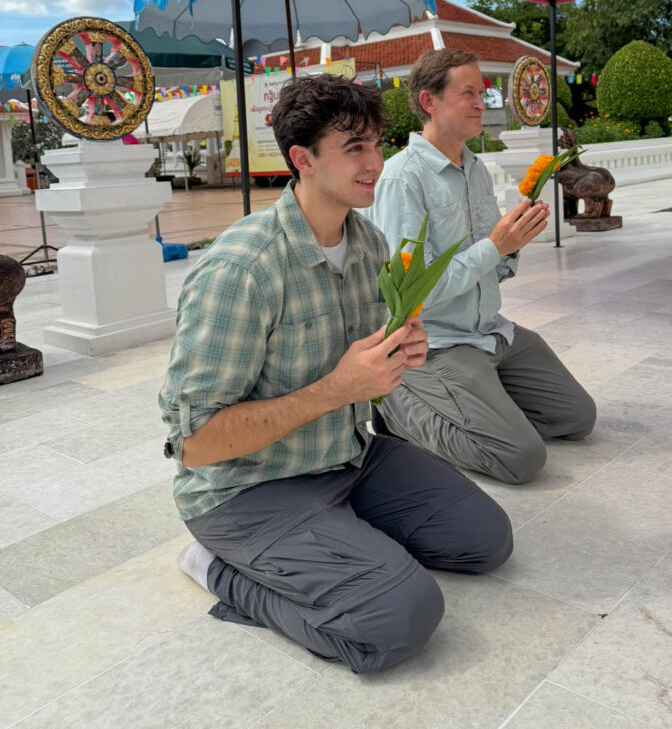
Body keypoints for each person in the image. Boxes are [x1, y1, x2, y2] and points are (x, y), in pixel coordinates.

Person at [159, 74, 512, 675]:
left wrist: (402, 351)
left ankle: (340, 541)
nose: (376, 162)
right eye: (355, 148)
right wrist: (338, 390)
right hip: (247, 489)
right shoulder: (242, 270)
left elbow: (365, 365)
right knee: (398, 619)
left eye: (377, 143)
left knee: (485, 540)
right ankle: (217, 569)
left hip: (345, 458)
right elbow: (195, 445)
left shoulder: (369, 244)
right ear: (302, 159)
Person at [365, 50, 596, 485]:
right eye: (467, 93)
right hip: (435, 343)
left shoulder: (475, 169)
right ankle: (397, 408)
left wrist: (511, 246)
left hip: (490, 331)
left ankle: (479, 402)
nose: (480, 103)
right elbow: (415, 292)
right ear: (429, 102)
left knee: (577, 418)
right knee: (521, 458)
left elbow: (494, 265)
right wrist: (494, 246)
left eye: (482, 93)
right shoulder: (402, 179)